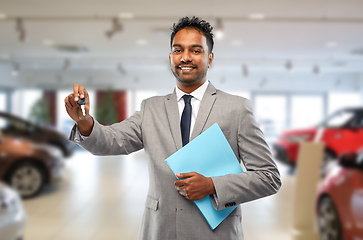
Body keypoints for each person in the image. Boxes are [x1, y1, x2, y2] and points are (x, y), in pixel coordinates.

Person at [65, 16, 281, 240]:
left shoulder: (236, 108)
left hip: (217, 233)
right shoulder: (151, 108)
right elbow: (110, 141)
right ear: (170, 57)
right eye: (178, 50)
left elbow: (269, 177)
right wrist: (84, 121)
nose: (185, 57)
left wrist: (212, 185)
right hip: (161, 231)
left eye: (196, 50)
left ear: (210, 58)